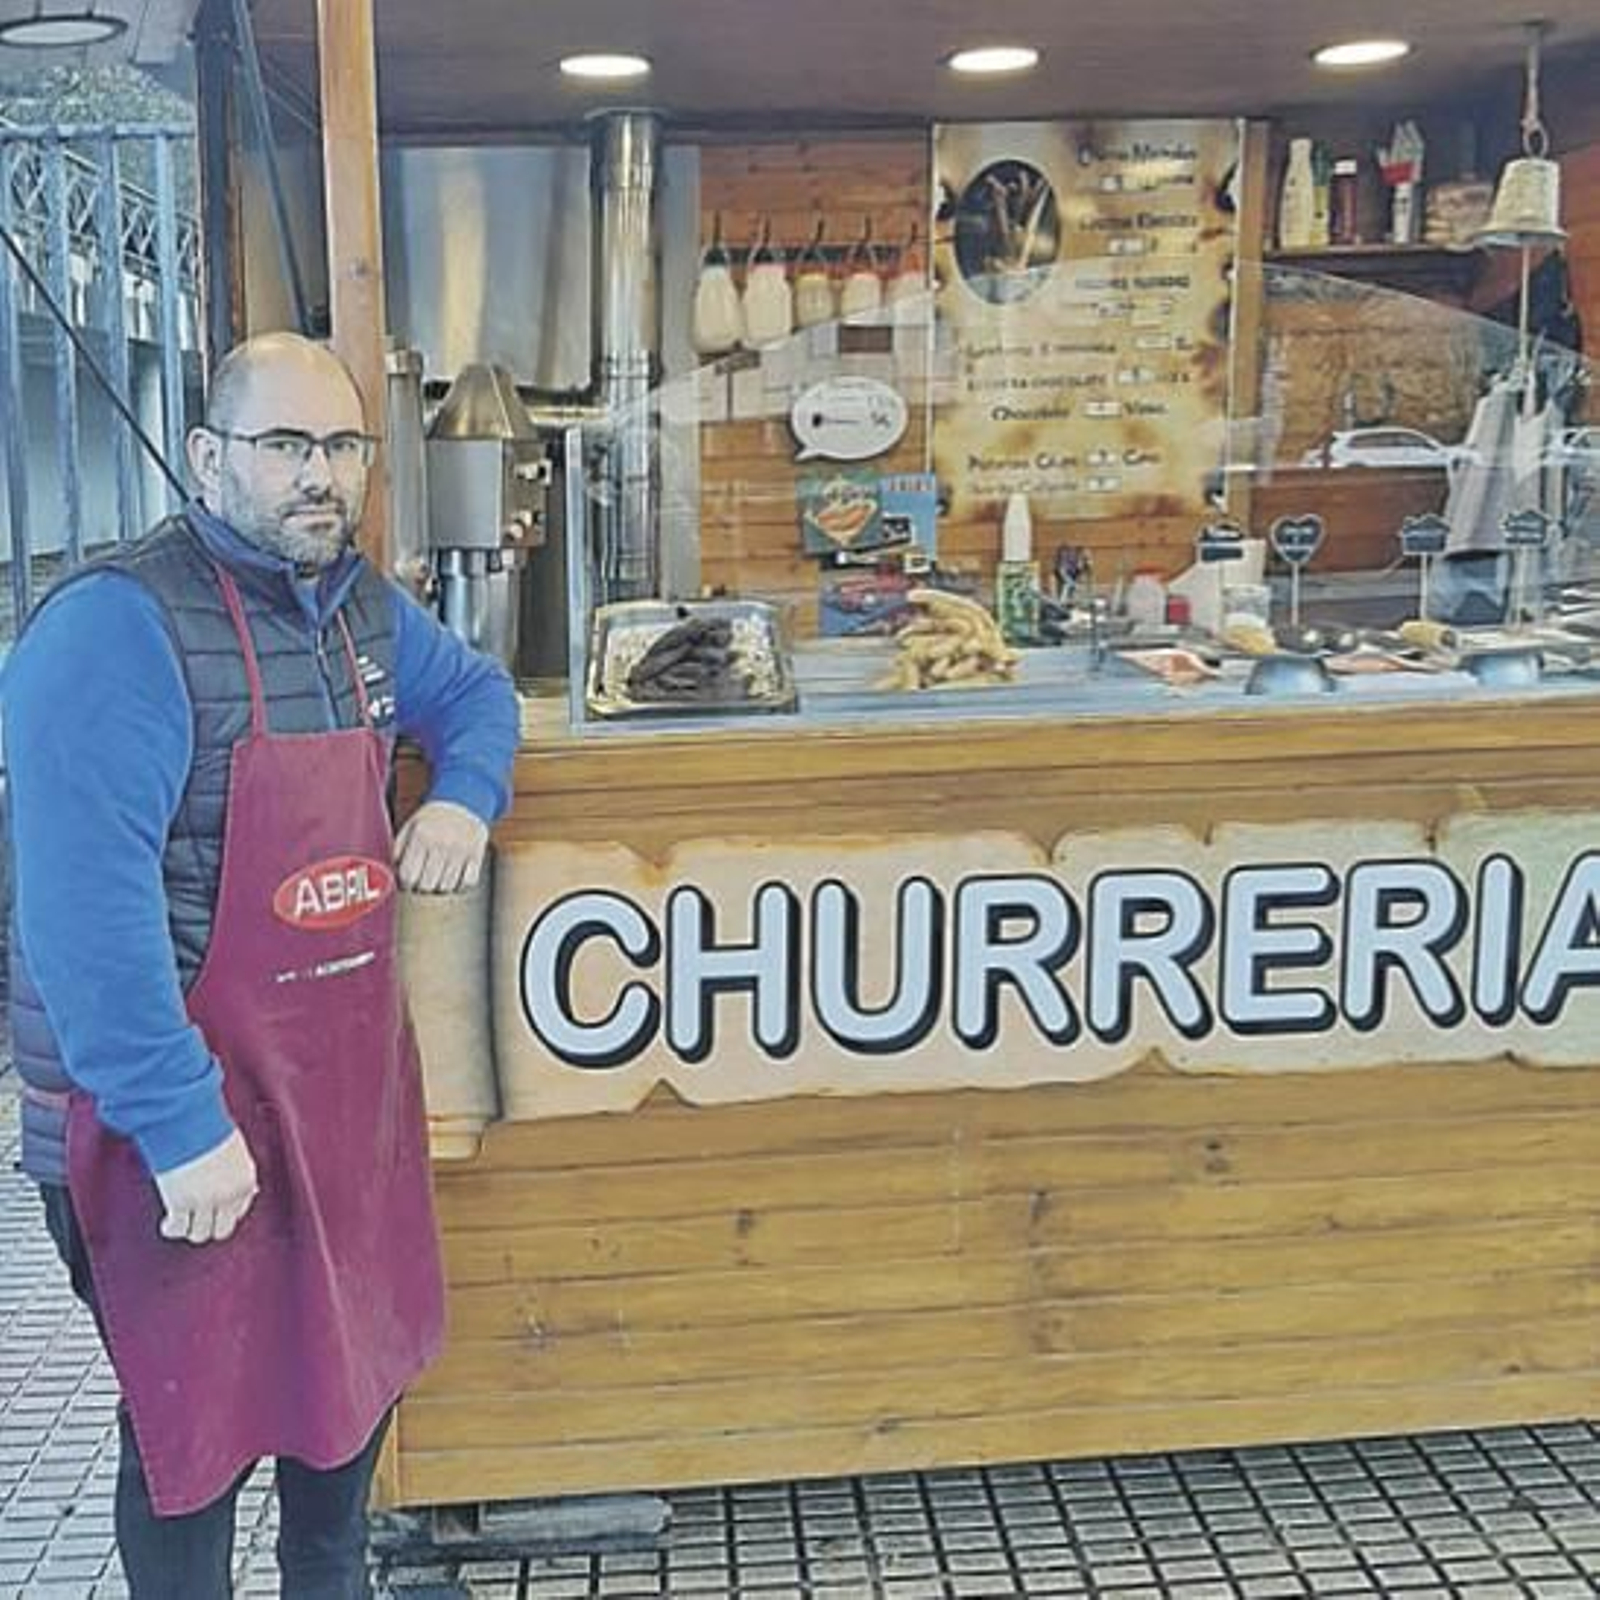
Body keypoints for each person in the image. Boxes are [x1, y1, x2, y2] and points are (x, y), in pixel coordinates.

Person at [3, 331, 520, 1598]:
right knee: (191, 1445)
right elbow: (80, 916)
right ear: (206, 456)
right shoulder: (111, 629)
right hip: (162, 1129)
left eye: (341, 446)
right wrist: (180, 1126)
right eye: (284, 445)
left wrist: (464, 795)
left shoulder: (362, 612)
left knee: (339, 1421)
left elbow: (480, 698)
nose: (320, 477)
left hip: (331, 1113)